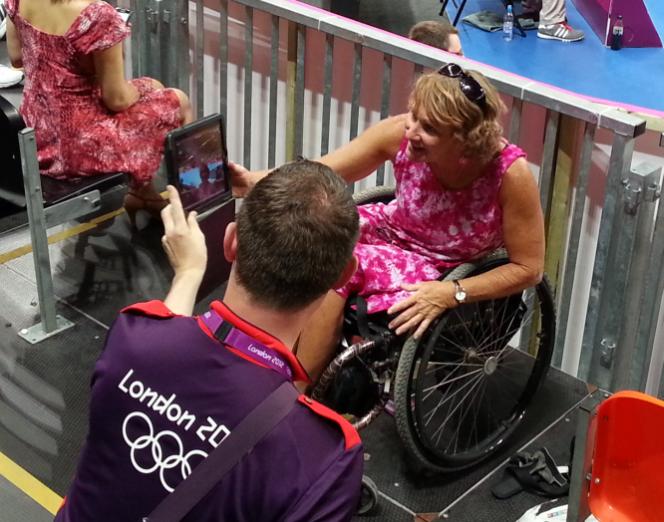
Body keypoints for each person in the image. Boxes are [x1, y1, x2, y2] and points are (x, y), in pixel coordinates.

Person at [55, 161, 364, 521]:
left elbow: (168, 332)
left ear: (231, 242)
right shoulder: (324, 455)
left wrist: (188, 273)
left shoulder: (133, 336)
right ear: (344, 275)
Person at [231, 64, 545, 381]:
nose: (411, 132)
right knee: (307, 235)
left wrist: (452, 292)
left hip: (441, 265)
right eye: (413, 115)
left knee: (338, 267)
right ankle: (261, 357)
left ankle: (295, 395)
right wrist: (250, 181)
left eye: (430, 129)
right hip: (390, 229)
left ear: (465, 140)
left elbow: (528, 269)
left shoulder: (509, 175)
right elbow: (318, 174)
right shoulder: (399, 134)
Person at [4, 0, 193, 225]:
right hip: (78, 148)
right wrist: (146, 87)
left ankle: (144, 194)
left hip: (34, 135)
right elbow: (117, 99)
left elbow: (16, 58)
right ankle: (191, 206)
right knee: (178, 100)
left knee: (154, 92)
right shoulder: (96, 16)